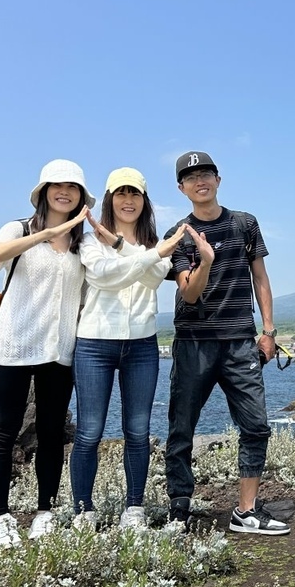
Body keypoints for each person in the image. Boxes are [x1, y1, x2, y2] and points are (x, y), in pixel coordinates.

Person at [163, 150, 290, 535]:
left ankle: (246, 510)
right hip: (193, 342)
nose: (199, 181)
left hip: (240, 341)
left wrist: (268, 331)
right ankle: (179, 508)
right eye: (191, 177)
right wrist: (205, 259)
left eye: (206, 174)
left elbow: (260, 278)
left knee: (256, 425)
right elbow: (188, 293)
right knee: (181, 426)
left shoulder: (245, 224)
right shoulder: (177, 235)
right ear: (181, 188)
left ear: (219, 179)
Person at [0, 159, 94, 549]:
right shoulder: (19, 228)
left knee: (50, 434)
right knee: (3, 433)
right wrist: (46, 233)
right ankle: (0, 517)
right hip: (11, 346)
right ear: (44, 190)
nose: (64, 191)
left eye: (72, 187)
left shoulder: (83, 244)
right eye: (56, 185)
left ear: (81, 196)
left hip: (58, 352)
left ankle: (45, 512)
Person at [69, 168, 185, 530]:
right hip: (94, 343)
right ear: (109, 199)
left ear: (144, 200)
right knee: (89, 431)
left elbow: (152, 279)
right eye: (120, 194)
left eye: (134, 194)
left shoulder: (157, 244)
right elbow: (105, 276)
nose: (128, 200)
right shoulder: (90, 241)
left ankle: (134, 507)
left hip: (141, 345)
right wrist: (146, 255)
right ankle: (83, 510)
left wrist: (123, 246)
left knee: (138, 430)